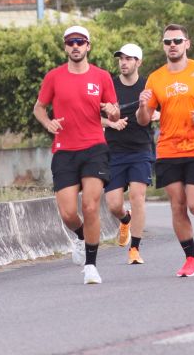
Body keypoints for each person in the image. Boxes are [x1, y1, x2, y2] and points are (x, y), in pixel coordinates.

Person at [137, 24, 194, 277]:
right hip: (168, 149)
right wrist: (143, 106)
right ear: (163, 46)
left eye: (177, 41)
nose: (172, 45)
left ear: (187, 44)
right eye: (168, 42)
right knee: (177, 205)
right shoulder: (155, 78)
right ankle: (191, 259)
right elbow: (144, 120)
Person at [33, 25, 120, 285]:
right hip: (64, 151)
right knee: (68, 213)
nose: (75, 46)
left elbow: (114, 111)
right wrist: (48, 123)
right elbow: (39, 108)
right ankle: (82, 237)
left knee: (90, 206)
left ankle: (91, 266)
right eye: (71, 42)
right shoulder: (54, 77)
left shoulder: (102, 77)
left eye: (80, 42)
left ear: (88, 46)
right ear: (65, 47)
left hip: (94, 147)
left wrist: (111, 111)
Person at [102, 43, 157, 265]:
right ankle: (125, 220)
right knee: (114, 204)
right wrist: (111, 124)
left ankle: (134, 249)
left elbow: (161, 107)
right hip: (114, 151)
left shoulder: (147, 86)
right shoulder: (110, 86)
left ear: (138, 62)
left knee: (137, 198)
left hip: (140, 150)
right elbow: (93, 116)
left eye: (129, 58)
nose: (123, 62)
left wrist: (155, 113)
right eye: (121, 58)